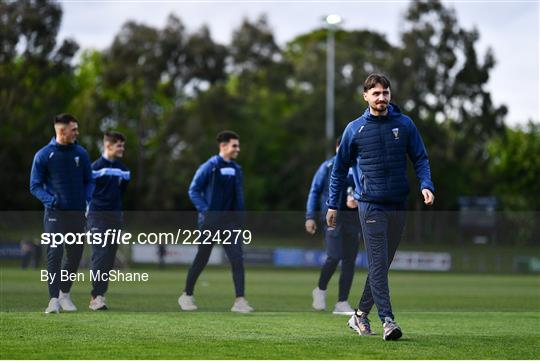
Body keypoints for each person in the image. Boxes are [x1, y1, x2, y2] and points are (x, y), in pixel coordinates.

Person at [326, 74, 435, 340]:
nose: (382, 98)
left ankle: (360, 315)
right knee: (377, 262)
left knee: (380, 265)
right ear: (365, 96)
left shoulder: (405, 124)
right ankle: (388, 320)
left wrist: (426, 184)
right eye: (376, 94)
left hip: (398, 204)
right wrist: (332, 204)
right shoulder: (354, 129)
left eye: (385, 93)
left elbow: (420, 157)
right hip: (370, 205)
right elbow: (339, 170)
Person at [178, 131, 254, 313]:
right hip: (210, 223)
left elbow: (238, 196)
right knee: (202, 258)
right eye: (234, 145)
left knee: (237, 259)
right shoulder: (209, 166)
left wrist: (240, 217)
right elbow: (193, 190)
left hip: (230, 224)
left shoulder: (237, 169)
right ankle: (186, 295)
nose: (238, 149)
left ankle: (240, 301)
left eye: (238, 145)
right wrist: (207, 212)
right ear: (223, 146)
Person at [30, 113, 93, 314]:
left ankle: (65, 294)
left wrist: (87, 201)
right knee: (54, 253)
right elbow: (35, 186)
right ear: (62, 130)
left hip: (77, 214)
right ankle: (53, 300)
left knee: (74, 255)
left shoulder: (81, 153)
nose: (77, 132)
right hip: (54, 214)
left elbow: (89, 180)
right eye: (74, 129)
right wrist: (52, 201)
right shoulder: (43, 155)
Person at [305, 136, 361, 314]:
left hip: (353, 219)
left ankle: (341, 302)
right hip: (332, 217)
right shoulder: (328, 166)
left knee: (350, 261)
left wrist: (358, 200)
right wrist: (310, 216)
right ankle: (320, 290)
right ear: (338, 148)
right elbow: (315, 191)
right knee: (334, 256)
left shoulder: (358, 168)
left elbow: (365, 190)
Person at [87, 131, 130, 310]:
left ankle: (100, 295)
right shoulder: (94, 168)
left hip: (115, 218)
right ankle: (95, 296)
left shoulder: (124, 170)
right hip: (96, 216)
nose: (122, 149)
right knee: (100, 254)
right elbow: (86, 192)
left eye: (123, 145)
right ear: (108, 145)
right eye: (119, 145)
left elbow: (122, 192)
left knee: (109, 257)